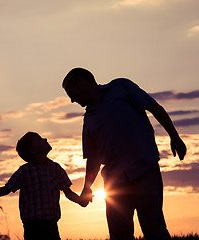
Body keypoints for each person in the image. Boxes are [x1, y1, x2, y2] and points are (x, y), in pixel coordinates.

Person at [62, 68, 187, 240]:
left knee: (154, 229)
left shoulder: (121, 87)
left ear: (81, 82)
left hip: (145, 172)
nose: (71, 99)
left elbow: (154, 107)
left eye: (70, 92)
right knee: (119, 235)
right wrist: (86, 187)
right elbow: (94, 158)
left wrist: (174, 136)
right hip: (115, 184)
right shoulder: (88, 119)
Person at [0, 132, 88, 240]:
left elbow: (68, 192)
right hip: (31, 226)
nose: (45, 139)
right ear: (33, 151)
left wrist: (80, 200)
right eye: (39, 139)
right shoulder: (24, 171)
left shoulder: (56, 168)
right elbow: (6, 189)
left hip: (51, 224)